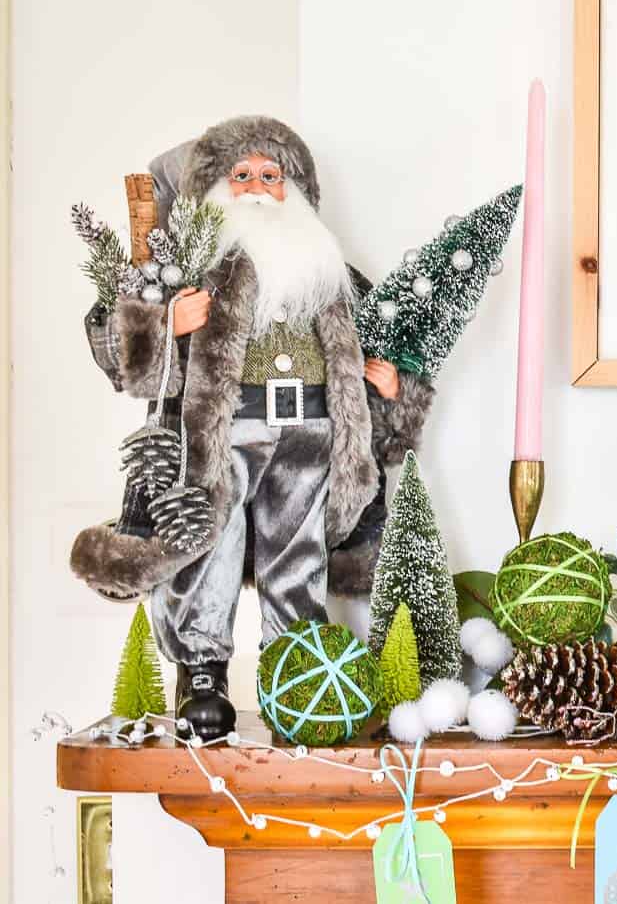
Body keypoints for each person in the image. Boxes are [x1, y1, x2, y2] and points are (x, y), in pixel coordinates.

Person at [72, 116, 433, 738]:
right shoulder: (188, 272)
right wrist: (165, 326)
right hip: (224, 434)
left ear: (297, 189)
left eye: (272, 175)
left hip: (312, 436)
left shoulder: (333, 278)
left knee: (300, 556)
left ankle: (293, 672)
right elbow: (112, 347)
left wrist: (399, 393)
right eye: (241, 176)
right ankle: (203, 671)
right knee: (209, 543)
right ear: (214, 188)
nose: (258, 187)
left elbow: (393, 346)